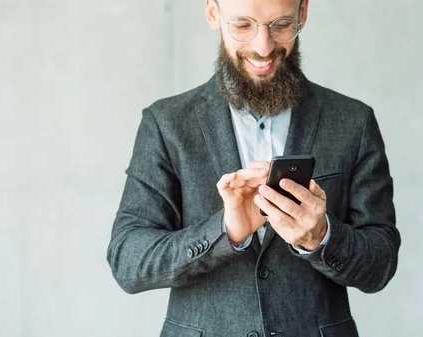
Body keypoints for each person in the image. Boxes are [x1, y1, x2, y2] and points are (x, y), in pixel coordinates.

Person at [106, 0, 401, 336]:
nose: (264, 47)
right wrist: (225, 232)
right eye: (243, 25)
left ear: (303, 12)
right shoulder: (166, 124)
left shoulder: (353, 122)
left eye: (282, 24)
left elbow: (381, 265)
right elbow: (128, 261)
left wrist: (320, 236)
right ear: (213, 13)